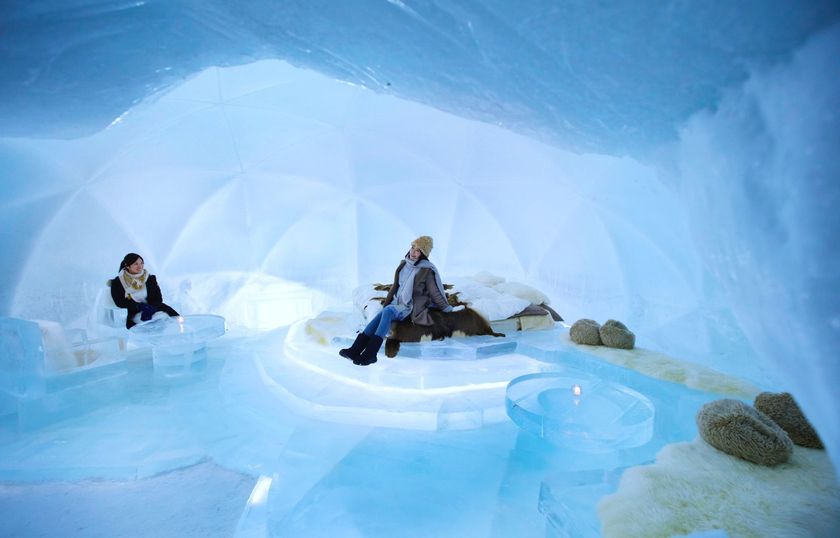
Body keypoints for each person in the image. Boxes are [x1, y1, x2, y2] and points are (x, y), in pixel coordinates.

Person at [340, 236, 464, 366]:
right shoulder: (403, 264)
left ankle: (371, 354)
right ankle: (355, 350)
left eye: (418, 250)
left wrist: (448, 309)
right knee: (383, 312)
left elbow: (435, 293)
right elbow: (395, 286)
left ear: (423, 254)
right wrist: (387, 302)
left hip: (410, 306)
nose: (413, 252)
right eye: (413, 247)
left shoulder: (426, 270)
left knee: (387, 311)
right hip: (396, 302)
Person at [110, 253, 179, 329]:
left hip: (154, 309)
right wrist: (139, 306)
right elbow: (119, 302)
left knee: (173, 322)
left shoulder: (150, 279)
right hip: (134, 312)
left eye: (141, 263)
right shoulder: (117, 282)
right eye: (135, 264)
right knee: (147, 328)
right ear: (127, 266)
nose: (140, 266)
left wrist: (151, 308)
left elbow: (158, 298)